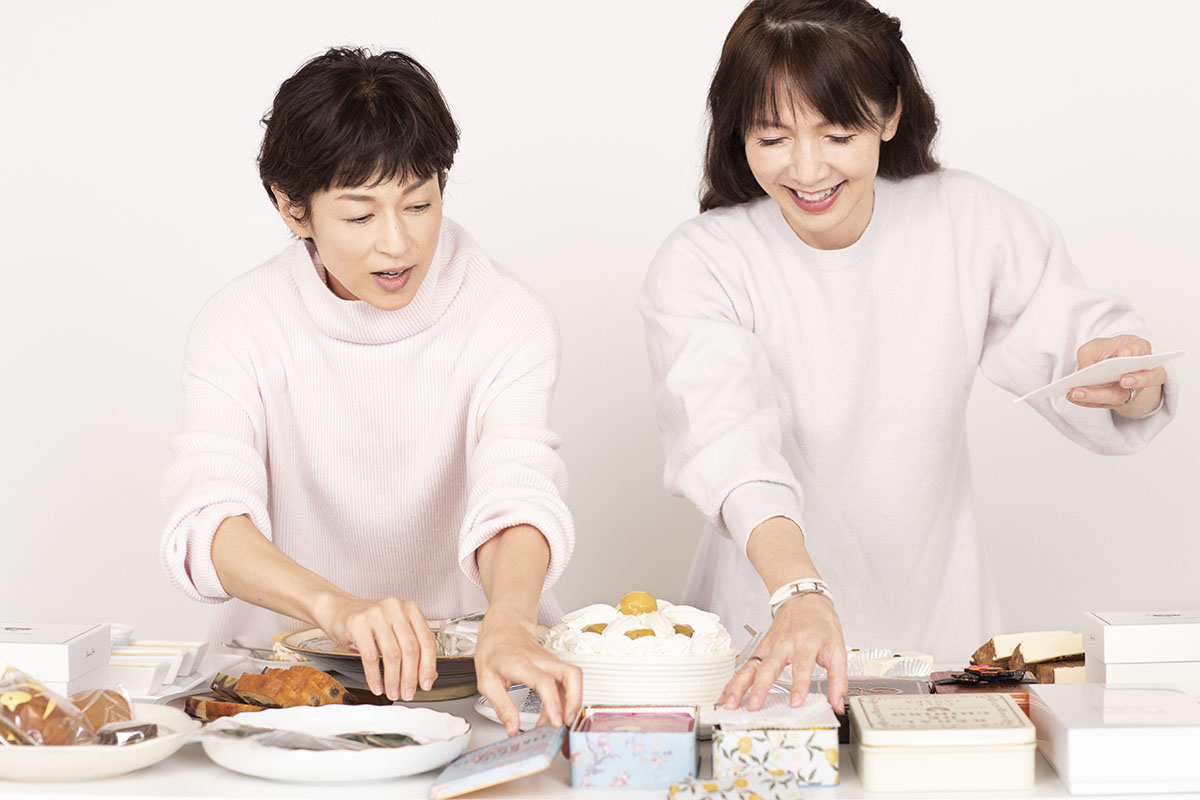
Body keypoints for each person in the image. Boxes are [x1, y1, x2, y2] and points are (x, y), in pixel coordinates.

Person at [638, 0, 1175, 713]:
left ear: (889, 114)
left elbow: (1093, 355)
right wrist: (798, 590)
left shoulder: (968, 220)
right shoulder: (704, 259)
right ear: (737, 132)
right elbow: (725, 442)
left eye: (837, 133)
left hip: (940, 643)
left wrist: (1129, 378)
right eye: (772, 137)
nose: (807, 168)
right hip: (767, 636)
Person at [159, 47, 580, 734]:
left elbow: (518, 488)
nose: (397, 243)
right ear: (292, 208)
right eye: (359, 216)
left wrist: (509, 620)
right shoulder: (239, 322)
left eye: (419, 204)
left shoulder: (505, 314)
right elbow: (208, 518)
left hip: (475, 684)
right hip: (279, 688)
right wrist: (337, 609)